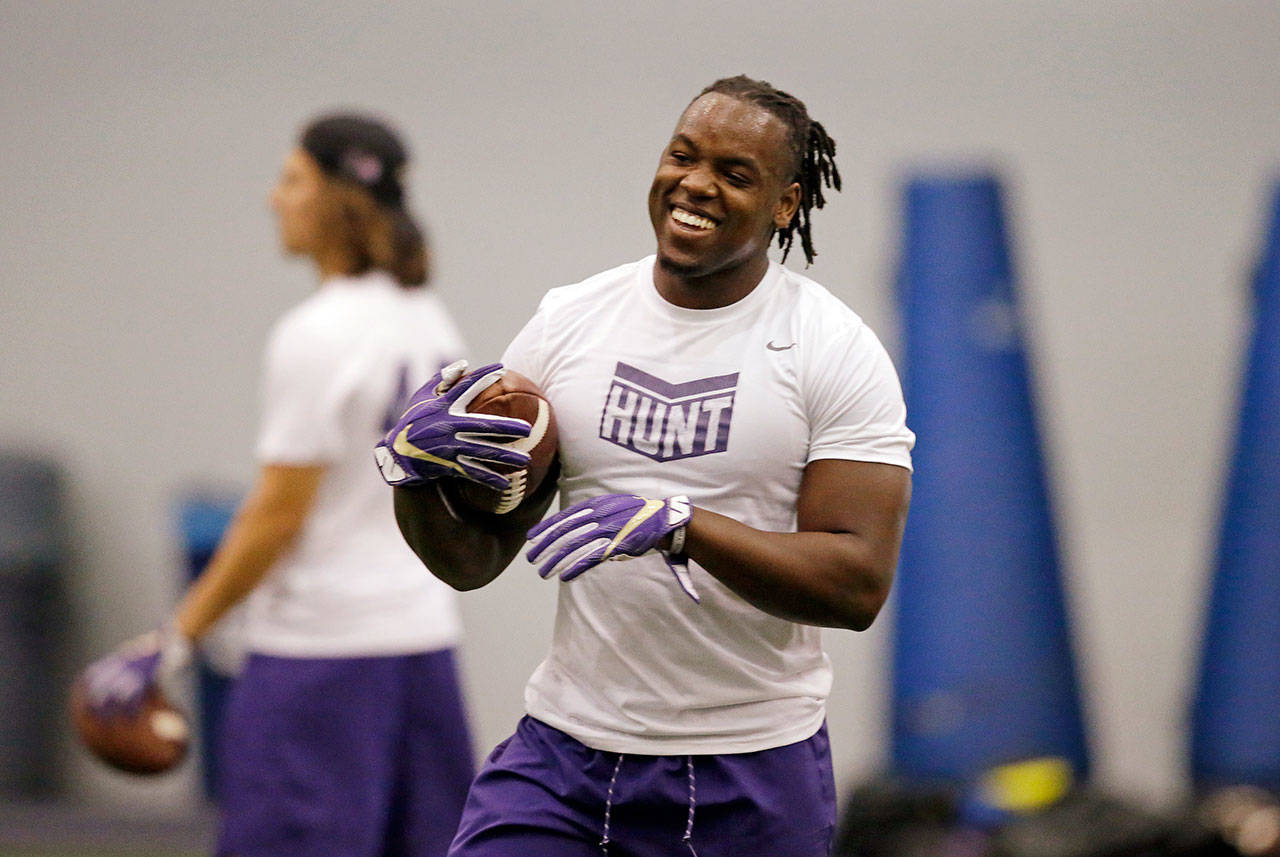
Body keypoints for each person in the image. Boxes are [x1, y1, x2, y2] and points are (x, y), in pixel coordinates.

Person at [376, 75, 914, 857]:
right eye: (682, 157)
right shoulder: (569, 322)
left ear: (786, 204)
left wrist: (682, 525)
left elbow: (857, 581)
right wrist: (413, 475)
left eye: (734, 174)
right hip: (566, 755)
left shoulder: (832, 347)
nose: (695, 184)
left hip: (750, 765)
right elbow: (473, 560)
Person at [84, 113, 476, 857]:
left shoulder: (316, 332)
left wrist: (173, 640)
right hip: (421, 641)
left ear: (337, 198)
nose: (274, 199)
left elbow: (276, 513)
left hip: (318, 657)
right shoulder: (430, 321)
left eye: (291, 179)